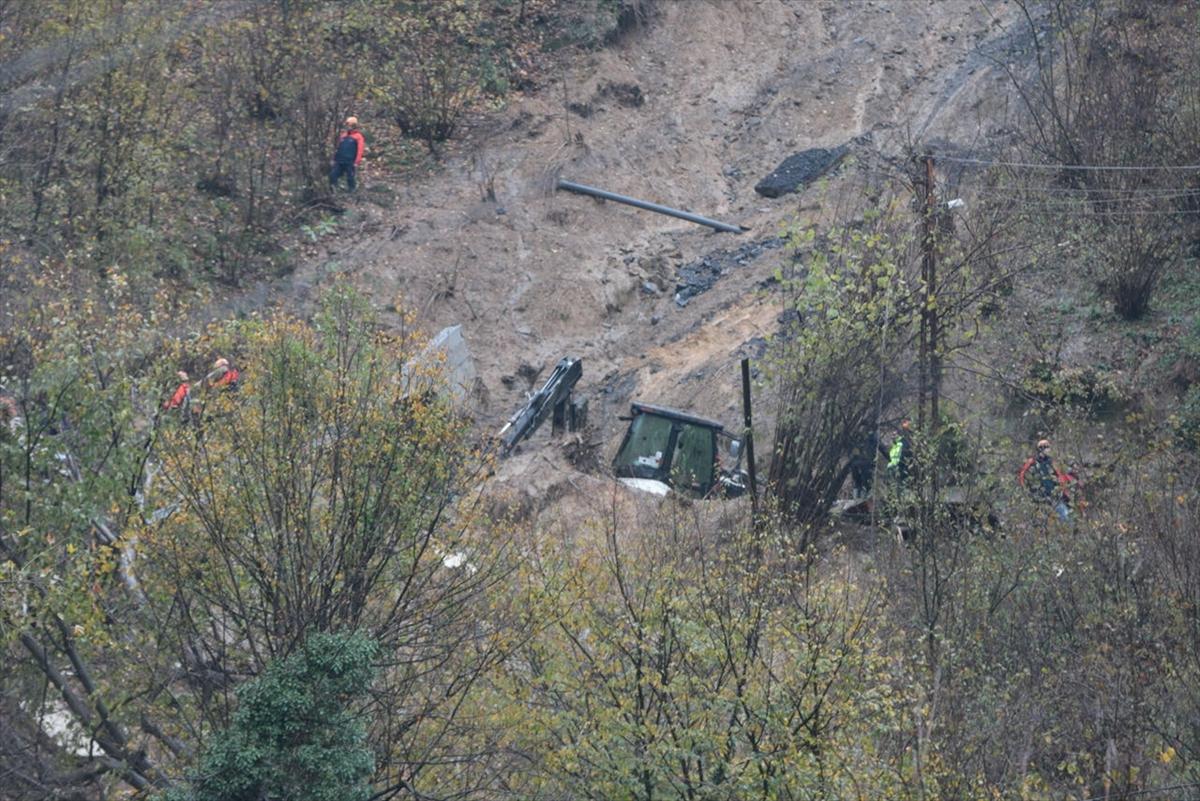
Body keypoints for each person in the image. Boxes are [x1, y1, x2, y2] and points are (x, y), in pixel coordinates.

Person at [1018, 439, 1074, 521]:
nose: (1049, 450)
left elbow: (1061, 476)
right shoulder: (1032, 463)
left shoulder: (1052, 462)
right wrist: (1030, 493)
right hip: (1040, 498)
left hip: (1055, 496)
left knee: (1065, 516)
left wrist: (1064, 492)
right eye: (1047, 447)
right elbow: (1023, 478)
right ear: (1041, 449)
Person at [329, 116, 365, 192]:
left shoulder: (358, 137)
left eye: (349, 125)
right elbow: (338, 148)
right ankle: (334, 190)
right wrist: (334, 159)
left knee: (350, 178)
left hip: (350, 162)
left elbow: (360, 150)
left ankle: (352, 192)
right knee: (333, 175)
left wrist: (356, 162)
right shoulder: (343, 135)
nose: (347, 127)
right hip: (340, 161)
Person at [849, 429, 887, 498]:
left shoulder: (858, 437)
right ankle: (863, 498)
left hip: (856, 463)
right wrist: (889, 458)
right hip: (867, 463)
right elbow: (883, 449)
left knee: (858, 483)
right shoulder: (873, 438)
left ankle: (856, 497)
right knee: (866, 483)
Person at [887, 420, 914, 484]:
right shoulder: (898, 443)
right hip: (898, 466)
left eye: (894, 435)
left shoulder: (904, 441)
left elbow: (907, 453)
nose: (892, 437)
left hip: (903, 466)